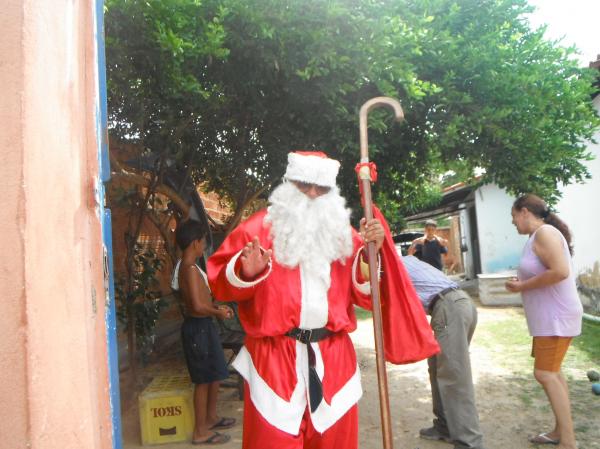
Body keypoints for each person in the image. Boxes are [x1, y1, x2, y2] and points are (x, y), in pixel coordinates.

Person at [207, 151, 439, 449]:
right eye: (304, 185)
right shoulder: (255, 230)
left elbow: (366, 295)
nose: (313, 193)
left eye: (322, 187)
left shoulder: (346, 235)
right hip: (273, 360)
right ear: (288, 184)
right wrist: (245, 271)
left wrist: (372, 253)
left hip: (334, 360)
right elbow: (219, 284)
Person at [505, 194, 582, 449]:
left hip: (556, 318)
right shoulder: (535, 237)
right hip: (548, 319)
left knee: (545, 373)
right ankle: (561, 432)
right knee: (553, 373)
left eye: (514, 216)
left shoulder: (545, 233)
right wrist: (521, 284)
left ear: (524, 211)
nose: (513, 222)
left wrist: (522, 286)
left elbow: (560, 271)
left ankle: (568, 442)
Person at [402, 255, 486, 449]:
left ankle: (469, 443)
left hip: (448, 307)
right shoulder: (407, 260)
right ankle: (444, 426)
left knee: (454, 376)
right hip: (456, 304)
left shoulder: (392, 265)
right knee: (437, 369)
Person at [171, 219, 237, 445]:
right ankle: (200, 432)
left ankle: (210, 419)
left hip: (203, 326)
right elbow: (197, 307)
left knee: (214, 374)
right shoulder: (188, 269)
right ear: (195, 242)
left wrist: (215, 308)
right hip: (198, 328)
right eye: (202, 242)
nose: (204, 246)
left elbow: (201, 301)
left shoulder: (190, 266)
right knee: (203, 379)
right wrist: (216, 312)